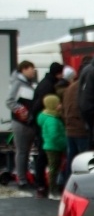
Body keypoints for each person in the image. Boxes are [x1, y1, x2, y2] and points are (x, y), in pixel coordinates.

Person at [30, 61, 64, 196]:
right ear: (58, 73)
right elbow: (39, 105)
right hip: (44, 126)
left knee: (43, 156)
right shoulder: (49, 86)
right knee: (45, 157)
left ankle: (41, 184)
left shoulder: (44, 82)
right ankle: (43, 185)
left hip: (41, 123)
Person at [5, 59, 37, 191]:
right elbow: (10, 101)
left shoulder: (26, 83)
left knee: (24, 151)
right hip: (21, 123)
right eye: (31, 68)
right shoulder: (18, 83)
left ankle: (23, 177)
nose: (33, 71)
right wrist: (22, 111)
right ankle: (22, 180)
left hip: (27, 122)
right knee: (22, 151)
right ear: (23, 69)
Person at [61, 59, 92, 180]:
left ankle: (67, 185)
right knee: (83, 161)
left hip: (70, 128)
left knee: (71, 160)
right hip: (81, 129)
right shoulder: (84, 88)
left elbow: (64, 108)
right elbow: (85, 108)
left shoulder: (70, 87)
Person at [37, 93, 66, 198]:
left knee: (53, 169)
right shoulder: (52, 120)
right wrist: (64, 143)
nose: (60, 105)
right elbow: (54, 136)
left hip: (50, 146)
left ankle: (53, 189)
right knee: (54, 169)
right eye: (58, 103)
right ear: (53, 105)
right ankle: (53, 191)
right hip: (54, 147)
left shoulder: (49, 117)